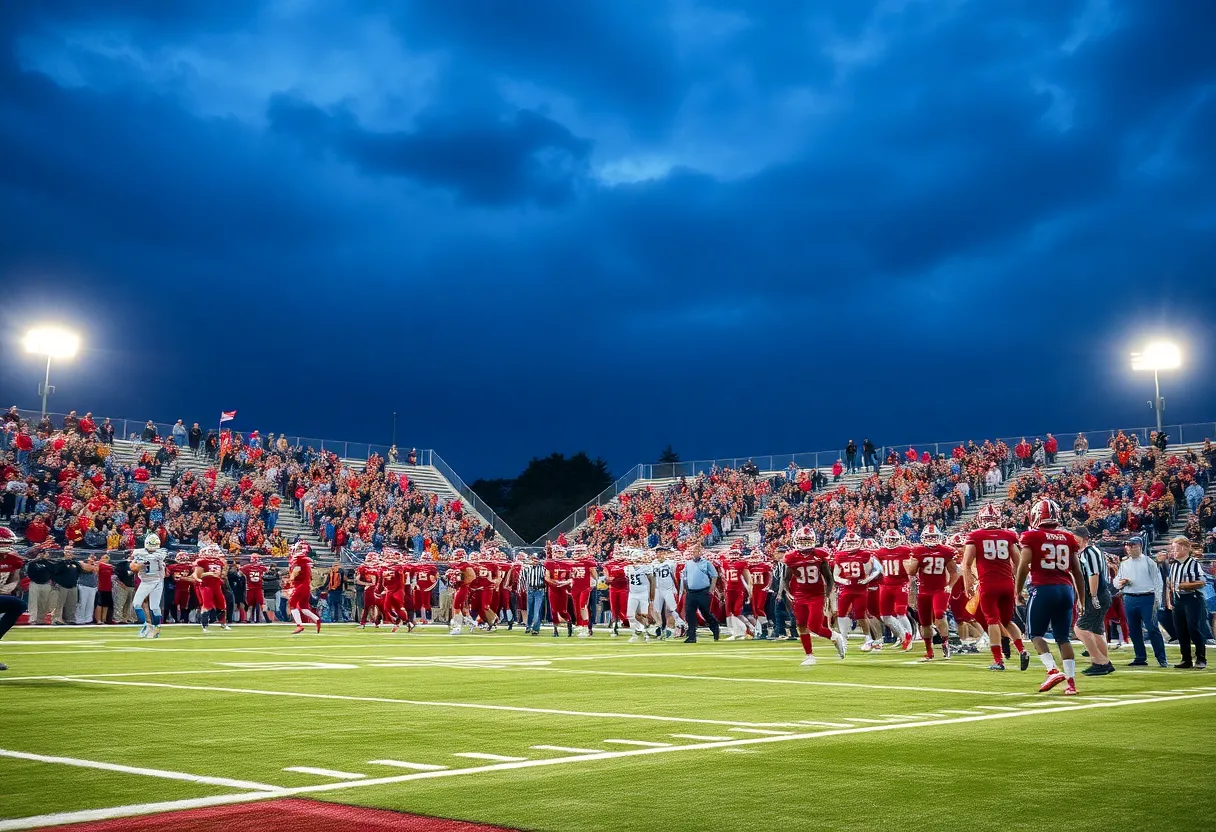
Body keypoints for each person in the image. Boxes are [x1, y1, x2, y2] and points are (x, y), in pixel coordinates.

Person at [1016, 499, 1086, 695]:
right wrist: (1082, 599)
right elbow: (1077, 572)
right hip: (1066, 590)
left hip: (1043, 588)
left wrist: (1017, 591)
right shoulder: (1068, 537)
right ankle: (1071, 684)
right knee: (1063, 637)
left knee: (1035, 634)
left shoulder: (1031, 536)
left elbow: (1023, 567)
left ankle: (1052, 670)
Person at [962, 505, 1031, 671]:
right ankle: (1022, 650)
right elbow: (1019, 563)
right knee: (1007, 621)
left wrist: (968, 584)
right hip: (1007, 583)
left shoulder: (976, 536)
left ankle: (998, 660)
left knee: (992, 621)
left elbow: (966, 564)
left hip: (988, 584)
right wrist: (1018, 586)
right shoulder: (1008, 535)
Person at [783, 527, 847, 666]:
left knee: (814, 626)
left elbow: (829, 578)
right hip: (800, 594)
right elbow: (786, 579)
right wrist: (788, 593)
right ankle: (809, 655)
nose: (805, 544)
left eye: (807, 540)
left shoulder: (819, 556)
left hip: (817, 594)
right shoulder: (792, 557)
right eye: (802, 540)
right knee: (801, 624)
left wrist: (826, 595)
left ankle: (835, 637)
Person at [905, 524, 957, 661]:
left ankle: (945, 641)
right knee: (925, 623)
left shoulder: (946, 551)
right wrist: (914, 561)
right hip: (924, 591)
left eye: (934, 536)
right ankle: (929, 650)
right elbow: (911, 572)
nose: (932, 539)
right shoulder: (918, 551)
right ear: (923, 538)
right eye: (929, 537)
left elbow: (954, 572)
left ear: (939, 537)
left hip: (939, 589)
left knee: (940, 614)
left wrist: (950, 585)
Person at [1114, 537, 1168, 667]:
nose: (1130, 548)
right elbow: (1116, 580)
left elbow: (1158, 582)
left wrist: (1157, 600)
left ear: (1140, 546)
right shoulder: (1125, 563)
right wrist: (1120, 583)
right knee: (1134, 629)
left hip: (1147, 598)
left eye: (1133, 546)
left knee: (1152, 628)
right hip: (1130, 597)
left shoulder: (1149, 562)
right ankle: (1140, 656)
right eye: (1128, 546)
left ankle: (1161, 657)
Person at [1073, 528, 1114, 675]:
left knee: (1080, 629)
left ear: (1084, 539)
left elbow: (1093, 574)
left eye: (1075, 538)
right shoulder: (1089, 552)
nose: (1073, 541)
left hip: (1096, 594)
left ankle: (1100, 662)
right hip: (1098, 594)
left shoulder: (1088, 552)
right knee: (1096, 630)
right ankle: (1104, 662)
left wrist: (1092, 595)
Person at [1165, 537, 1207, 670]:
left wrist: (1185, 586)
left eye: (1176, 548)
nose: (1173, 551)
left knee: (1193, 628)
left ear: (1184, 547)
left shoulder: (1194, 563)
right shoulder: (1174, 565)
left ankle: (1201, 658)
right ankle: (1186, 659)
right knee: (1181, 630)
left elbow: (1201, 582)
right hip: (1178, 600)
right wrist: (1169, 600)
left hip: (1192, 599)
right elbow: (1169, 584)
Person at [875, 529, 915, 652]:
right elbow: (877, 570)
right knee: (884, 616)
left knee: (900, 612)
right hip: (885, 585)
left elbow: (913, 565)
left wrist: (911, 580)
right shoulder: (880, 552)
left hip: (900, 584)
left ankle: (909, 638)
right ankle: (903, 635)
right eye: (888, 539)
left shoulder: (905, 550)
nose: (891, 542)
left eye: (893, 540)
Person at [0, 528, 29, 669]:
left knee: (19, 605)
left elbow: (14, 578)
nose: (7, 546)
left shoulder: (13, 559)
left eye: (8, 543)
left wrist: (12, 585)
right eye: (4, 543)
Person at [680, 542, 720, 643]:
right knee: (689, 614)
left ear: (700, 552)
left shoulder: (706, 563)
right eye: (693, 551)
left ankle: (714, 626)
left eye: (697, 551)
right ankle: (692, 635)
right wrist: (685, 587)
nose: (695, 553)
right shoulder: (688, 564)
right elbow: (685, 576)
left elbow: (714, 576)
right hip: (691, 592)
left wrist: (711, 589)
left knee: (705, 612)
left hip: (703, 591)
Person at [131, 533, 167, 638]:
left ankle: (156, 628)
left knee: (154, 606)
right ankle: (146, 625)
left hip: (157, 580)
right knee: (136, 604)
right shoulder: (139, 552)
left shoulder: (160, 553)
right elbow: (133, 567)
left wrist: (143, 560)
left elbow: (156, 557)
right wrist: (138, 564)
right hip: (145, 581)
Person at [286, 542, 322, 634]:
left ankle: (299, 625)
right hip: (306, 586)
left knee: (292, 604)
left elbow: (296, 571)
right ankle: (317, 619)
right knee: (304, 607)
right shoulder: (305, 561)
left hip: (300, 586)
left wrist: (290, 580)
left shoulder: (299, 560)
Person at [624, 548, 655, 643]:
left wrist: (652, 594)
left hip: (643, 593)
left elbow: (652, 580)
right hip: (632, 593)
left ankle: (645, 633)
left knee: (644, 615)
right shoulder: (627, 568)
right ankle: (637, 632)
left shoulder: (646, 567)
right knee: (630, 615)